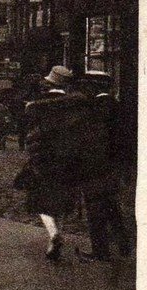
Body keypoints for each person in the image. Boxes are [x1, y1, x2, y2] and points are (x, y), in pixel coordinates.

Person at [18, 65, 77, 261]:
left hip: (43, 159)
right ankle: (58, 233)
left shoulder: (38, 104)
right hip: (67, 159)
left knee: (39, 199)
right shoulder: (73, 104)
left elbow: (30, 131)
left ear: (48, 83)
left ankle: (53, 234)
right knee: (62, 198)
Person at [74, 71, 132, 262]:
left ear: (95, 87)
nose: (85, 89)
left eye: (87, 86)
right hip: (113, 165)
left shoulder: (96, 108)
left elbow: (92, 141)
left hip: (96, 165)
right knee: (111, 205)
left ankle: (100, 251)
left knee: (95, 208)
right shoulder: (117, 106)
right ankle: (124, 245)